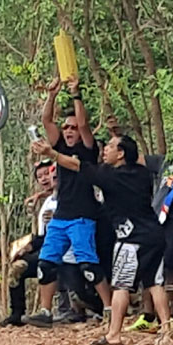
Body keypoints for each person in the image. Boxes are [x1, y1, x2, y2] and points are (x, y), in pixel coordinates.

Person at [37, 134, 172, 345]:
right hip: (154, 235)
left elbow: (76, 165)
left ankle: (114, 334)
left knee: (121, 286)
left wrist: (51, 153)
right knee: (155, 283)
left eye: (110, 146)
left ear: (121, 154)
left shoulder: (110, 176)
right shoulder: (142, 173)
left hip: (130, 239)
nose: (105, 149)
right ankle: (167, 329)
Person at [22, 76, 112, 328]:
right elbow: (46, 121)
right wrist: (51, 95)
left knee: (88, 264)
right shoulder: (59, 144)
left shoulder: (87, 149)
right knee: (46, 263)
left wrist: (75, 93)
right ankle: (45, 311)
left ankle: (108, 307)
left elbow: (83, 124)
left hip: (83, 215)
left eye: (73, 128)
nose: (70, 130)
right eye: (66, 127)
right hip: (61, 215)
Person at [131, 123, 173, 332]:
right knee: (147, 262)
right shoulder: (166, 161)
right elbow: (135, 157)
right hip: (155, 217)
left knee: (169, 264)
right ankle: (147, 314)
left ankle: (169, 316)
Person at [0, 158, 57, 327]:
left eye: (48, 174)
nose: (45, 179)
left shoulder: (71, 198)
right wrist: (26, 248)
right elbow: (42, 236)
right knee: (17, 266)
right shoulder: (47, 202)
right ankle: (17, 314)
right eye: (40, 176)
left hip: (65, 252)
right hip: (46, 248)